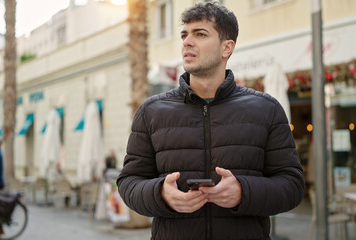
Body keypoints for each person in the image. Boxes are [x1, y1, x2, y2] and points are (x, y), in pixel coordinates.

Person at [117, 2, 305, 239]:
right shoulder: (151, 111)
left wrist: (243, 192)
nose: (187, 41)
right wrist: (160, 194)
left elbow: (293, 186)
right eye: (184, 34)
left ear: (227, 47)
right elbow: (128, 183)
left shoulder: (266, 109)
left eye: (200, 34)